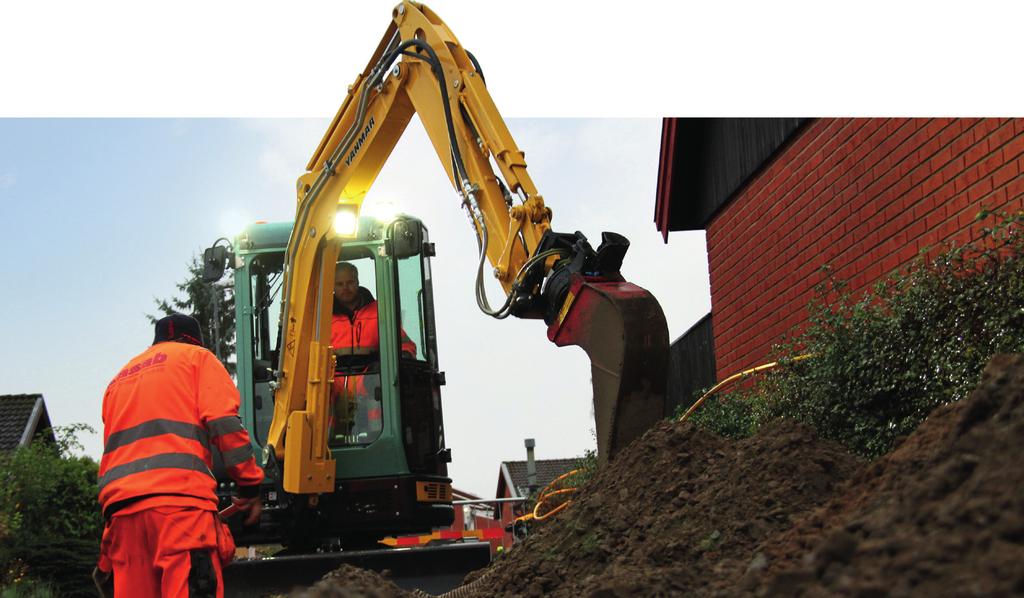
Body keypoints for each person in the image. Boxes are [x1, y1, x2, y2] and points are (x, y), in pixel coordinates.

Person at [95, 313, 264, 598]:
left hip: (122, 517)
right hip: (179, 511)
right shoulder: (198, 358)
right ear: (194, 340)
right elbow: (224, 423)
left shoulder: (119, 379)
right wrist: (249, 485)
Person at [330, 262, 416, 439]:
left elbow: (404, 343)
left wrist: (405, 355)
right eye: (339, 284)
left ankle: (378, 435)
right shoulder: (321, 315)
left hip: (367, 374)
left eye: (350, 282)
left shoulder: (379, 310)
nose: (345, 288)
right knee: (318, 390)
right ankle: (325, 438)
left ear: (358, 281)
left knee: (378, 382)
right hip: (333, 376)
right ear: (332, 285)